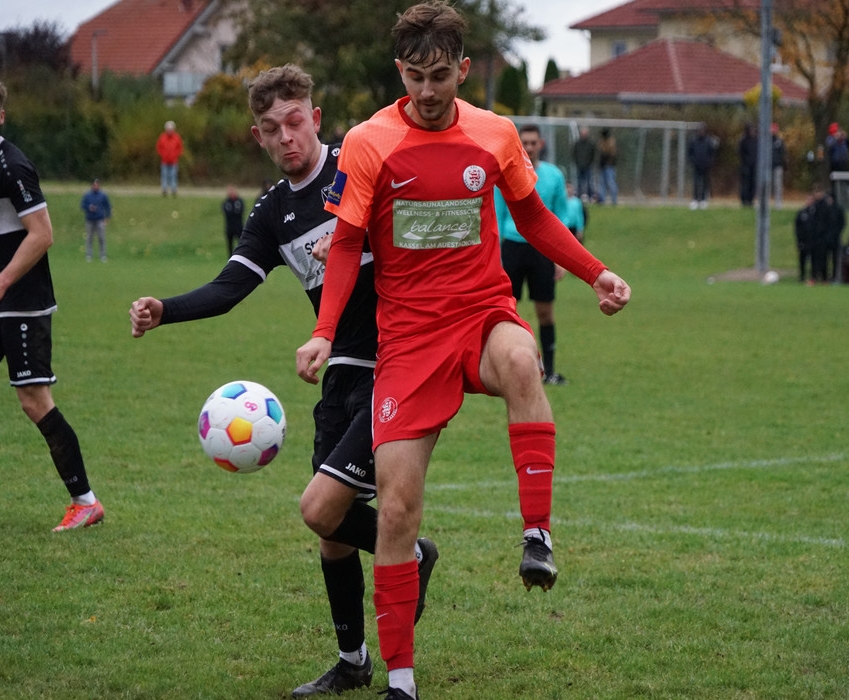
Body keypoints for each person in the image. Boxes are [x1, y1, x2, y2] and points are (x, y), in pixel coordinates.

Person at [294, 4, 631, 698]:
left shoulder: (494, 133)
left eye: (440, 76)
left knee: (523, 358)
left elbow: (533, 217)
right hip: (408, 342)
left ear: (464, 70)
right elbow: (348, 243)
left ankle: (537, 536)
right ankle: (401, 680)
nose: (427, 91)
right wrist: (325, 330)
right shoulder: (367, 142)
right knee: (395, 511)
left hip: (480, 316)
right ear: (400, 72)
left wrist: (594, 272)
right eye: (415, 77)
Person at [128, 64, 439, 698]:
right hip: (340, 370)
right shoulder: (273, 211)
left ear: (315, 118)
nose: (286, 136)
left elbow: (415, 221)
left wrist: (350, 238)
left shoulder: (358, 165)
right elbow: (230, 286)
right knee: (330, 532)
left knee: (320, 508)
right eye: (272, 129)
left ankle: (412, 553)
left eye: (295, 122)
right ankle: (352, 662)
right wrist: (166, 309)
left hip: (397, 362)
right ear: (259, 136)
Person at [0, 72, 105, 531]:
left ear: (2, 116)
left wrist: (0, 283)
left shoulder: (12, 166)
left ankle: (85, 502)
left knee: (33, 400)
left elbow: (43, 234)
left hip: (22, 301)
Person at [495, 124, 571, 386]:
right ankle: (504, 370)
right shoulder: (506, 173)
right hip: (512, 248)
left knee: (545, 312)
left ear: (541, 144)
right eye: (524, 143)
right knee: (506, 311)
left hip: (542, 250)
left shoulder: (554, 176)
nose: (528, 147)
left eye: (532, 143)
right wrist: (495, 257)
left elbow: (561, 217)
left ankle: (549, 371)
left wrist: (561, 257)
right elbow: (496, 216)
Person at [687, 123, 718, 210]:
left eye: (702, 130)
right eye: (699, 130)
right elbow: (690, 153)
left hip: (706, 166)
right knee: (696, 183)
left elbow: (712, 153)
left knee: (705, 183)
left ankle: (704, 200)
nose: (701, 132)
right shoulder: (693, 141)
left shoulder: (709, 141)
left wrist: (709, 162)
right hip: (696, 165)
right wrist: (693, 161)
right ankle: (695, 200)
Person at [80, 178, 111, 262]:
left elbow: (108, 206)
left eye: (97, 185)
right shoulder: (87, 195)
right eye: (94, 185)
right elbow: (82, 205)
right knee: (89, 238)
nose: (95, 186)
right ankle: (89, 255)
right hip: (90, 219)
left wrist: (107, 217)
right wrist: (89, 207)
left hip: (100, 219)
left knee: (101, 238)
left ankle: (103, 255)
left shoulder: (103, 195)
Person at [156, 120, 184, 196]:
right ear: (166, 129)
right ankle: (164, 190)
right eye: (168, 129)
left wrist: (176, 155)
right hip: (164, 161)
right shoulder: (162, 137)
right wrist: (162, 154)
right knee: (164, 176)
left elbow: (180, 148)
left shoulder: (177, 137)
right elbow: (158, 147)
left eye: (171, 129)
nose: (169, 131)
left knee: (173, 176)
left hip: (174, 161)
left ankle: (173, 190)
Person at [794, 193, 816, 283]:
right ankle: (802, 276)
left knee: (814, 259)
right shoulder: (802, 213)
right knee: (802, 259)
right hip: (803, 241)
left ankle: (813, 276)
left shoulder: (816, 213)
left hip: (813, 240)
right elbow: (797, 227)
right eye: (808, 200)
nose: (809, 202)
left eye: (811, 200)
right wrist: (799, 240)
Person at [571, 126, 597, 202]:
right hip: (579, 166)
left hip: (587, 166)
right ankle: (578, 196)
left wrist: (589, 162)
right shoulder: (577, 144)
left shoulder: (590, 144)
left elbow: (593, 154)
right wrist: (577, 162)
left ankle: (590, 196)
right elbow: (574, 154)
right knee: (579, 182)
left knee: (589, 182)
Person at [221, 185, 245, 258]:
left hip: (239, 226)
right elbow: (227, 213)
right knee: (230, 245)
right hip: (230, 227)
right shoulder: (226, 202)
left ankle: (241, 257)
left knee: (241, 243)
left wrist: (234, 212)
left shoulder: (239, 201)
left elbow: (240, 212)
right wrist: (234, 212)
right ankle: (231, 258)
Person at [738, 123, 757, 206]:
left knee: (753, 183)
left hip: (754, 166)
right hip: (745, 166)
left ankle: (750, 200)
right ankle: (744, 200)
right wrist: (746, 161)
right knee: (745, 183)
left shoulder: (756, 140)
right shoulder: (743, 140)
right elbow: (741, 153)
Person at [598, 127, 619, 205]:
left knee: (611, 183)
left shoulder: (611, 143)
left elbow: (612, 155)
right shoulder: (602, 142)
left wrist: (608, 163)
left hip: (609, 166)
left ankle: (614, 200)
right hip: (603, 165)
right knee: (602, 183)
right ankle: (602, 199)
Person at [770, 123, 786, 210]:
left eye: (774, 130)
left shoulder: (779, 141)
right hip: (768, 167)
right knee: (766, 185)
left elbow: (783, 153)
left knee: (778, 185)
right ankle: (765, 202)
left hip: (777, 166)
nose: (773, 131)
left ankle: (778, 202)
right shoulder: (766, 141)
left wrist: (781, 163)